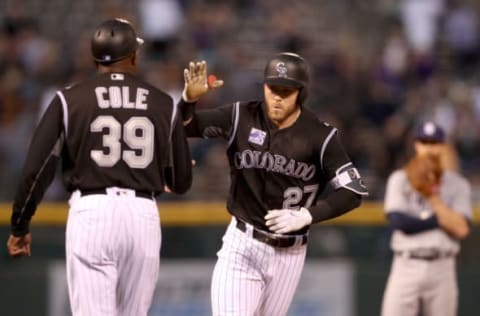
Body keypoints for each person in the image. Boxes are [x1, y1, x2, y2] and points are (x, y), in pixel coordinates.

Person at [6, 18, 192, 316]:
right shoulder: (164, 103)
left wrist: (20, 225)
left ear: (94, 58)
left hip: (92, 212)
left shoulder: (69, 99)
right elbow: (182, 181)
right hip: (142, 215)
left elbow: (37, 168)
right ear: (133, 55)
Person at [179, 52, 368, 315]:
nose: (277, 96)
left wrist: (308, 215)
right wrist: (188, 101)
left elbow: (352, 192)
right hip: (242, 245)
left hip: (289, 255)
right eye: (272, 88)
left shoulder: (320, 136)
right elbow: (184, 127)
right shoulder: (240, 116)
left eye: (286, 91)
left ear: (301, 93)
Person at [381, 121, 471, 316]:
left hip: (443, 265)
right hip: (406, 264)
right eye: (424, 142)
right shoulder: (400, 179)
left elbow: (462, 229)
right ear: (416, 145)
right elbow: (400, 223)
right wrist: (441, 221)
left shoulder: (457, 184)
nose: (429, 147)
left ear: (443, 146)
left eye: (434, 142)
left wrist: (432, 196)